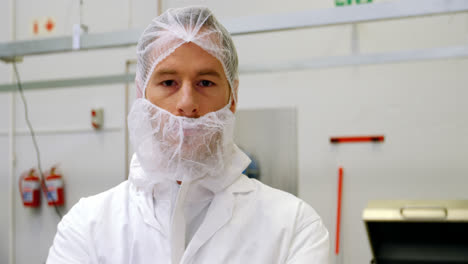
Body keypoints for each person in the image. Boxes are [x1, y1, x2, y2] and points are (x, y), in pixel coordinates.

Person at [47, 6, 329, 264]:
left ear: (233, 97)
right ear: (142, 95)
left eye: (205, 82)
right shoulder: (87, 228)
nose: (186, 103)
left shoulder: (294, 227)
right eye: (168, 82)